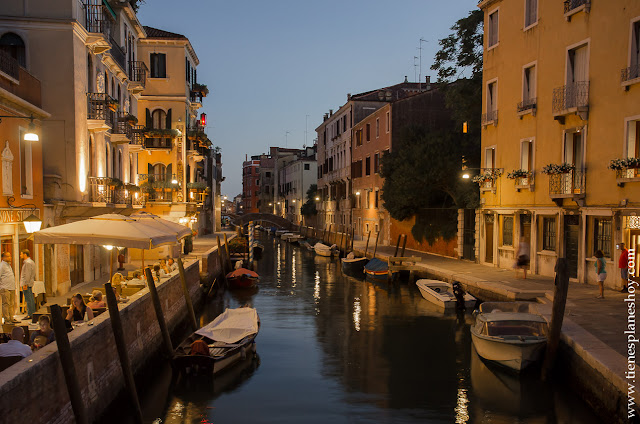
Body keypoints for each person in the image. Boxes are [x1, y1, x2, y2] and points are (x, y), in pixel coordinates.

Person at [0, 252, 18, 324]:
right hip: (5, 288)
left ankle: (11, 318)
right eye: (8, 256)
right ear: (3, 258)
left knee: (11, 304)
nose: (10, 258)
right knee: (6, 304)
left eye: (10, 256)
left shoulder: (8, 265)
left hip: (11, 287)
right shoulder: (2, 266)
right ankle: (7, 320)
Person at [19, 249, 36, 320]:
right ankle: (32, 313)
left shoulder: (28, 263)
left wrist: (25, 284)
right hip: (29, 283)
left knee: (28, 299)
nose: (20, 255)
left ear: (25, 254)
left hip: (27, 283)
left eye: (21, 254)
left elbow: (27, 274)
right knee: (30, 298)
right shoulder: (30, 262)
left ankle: (30, 314)